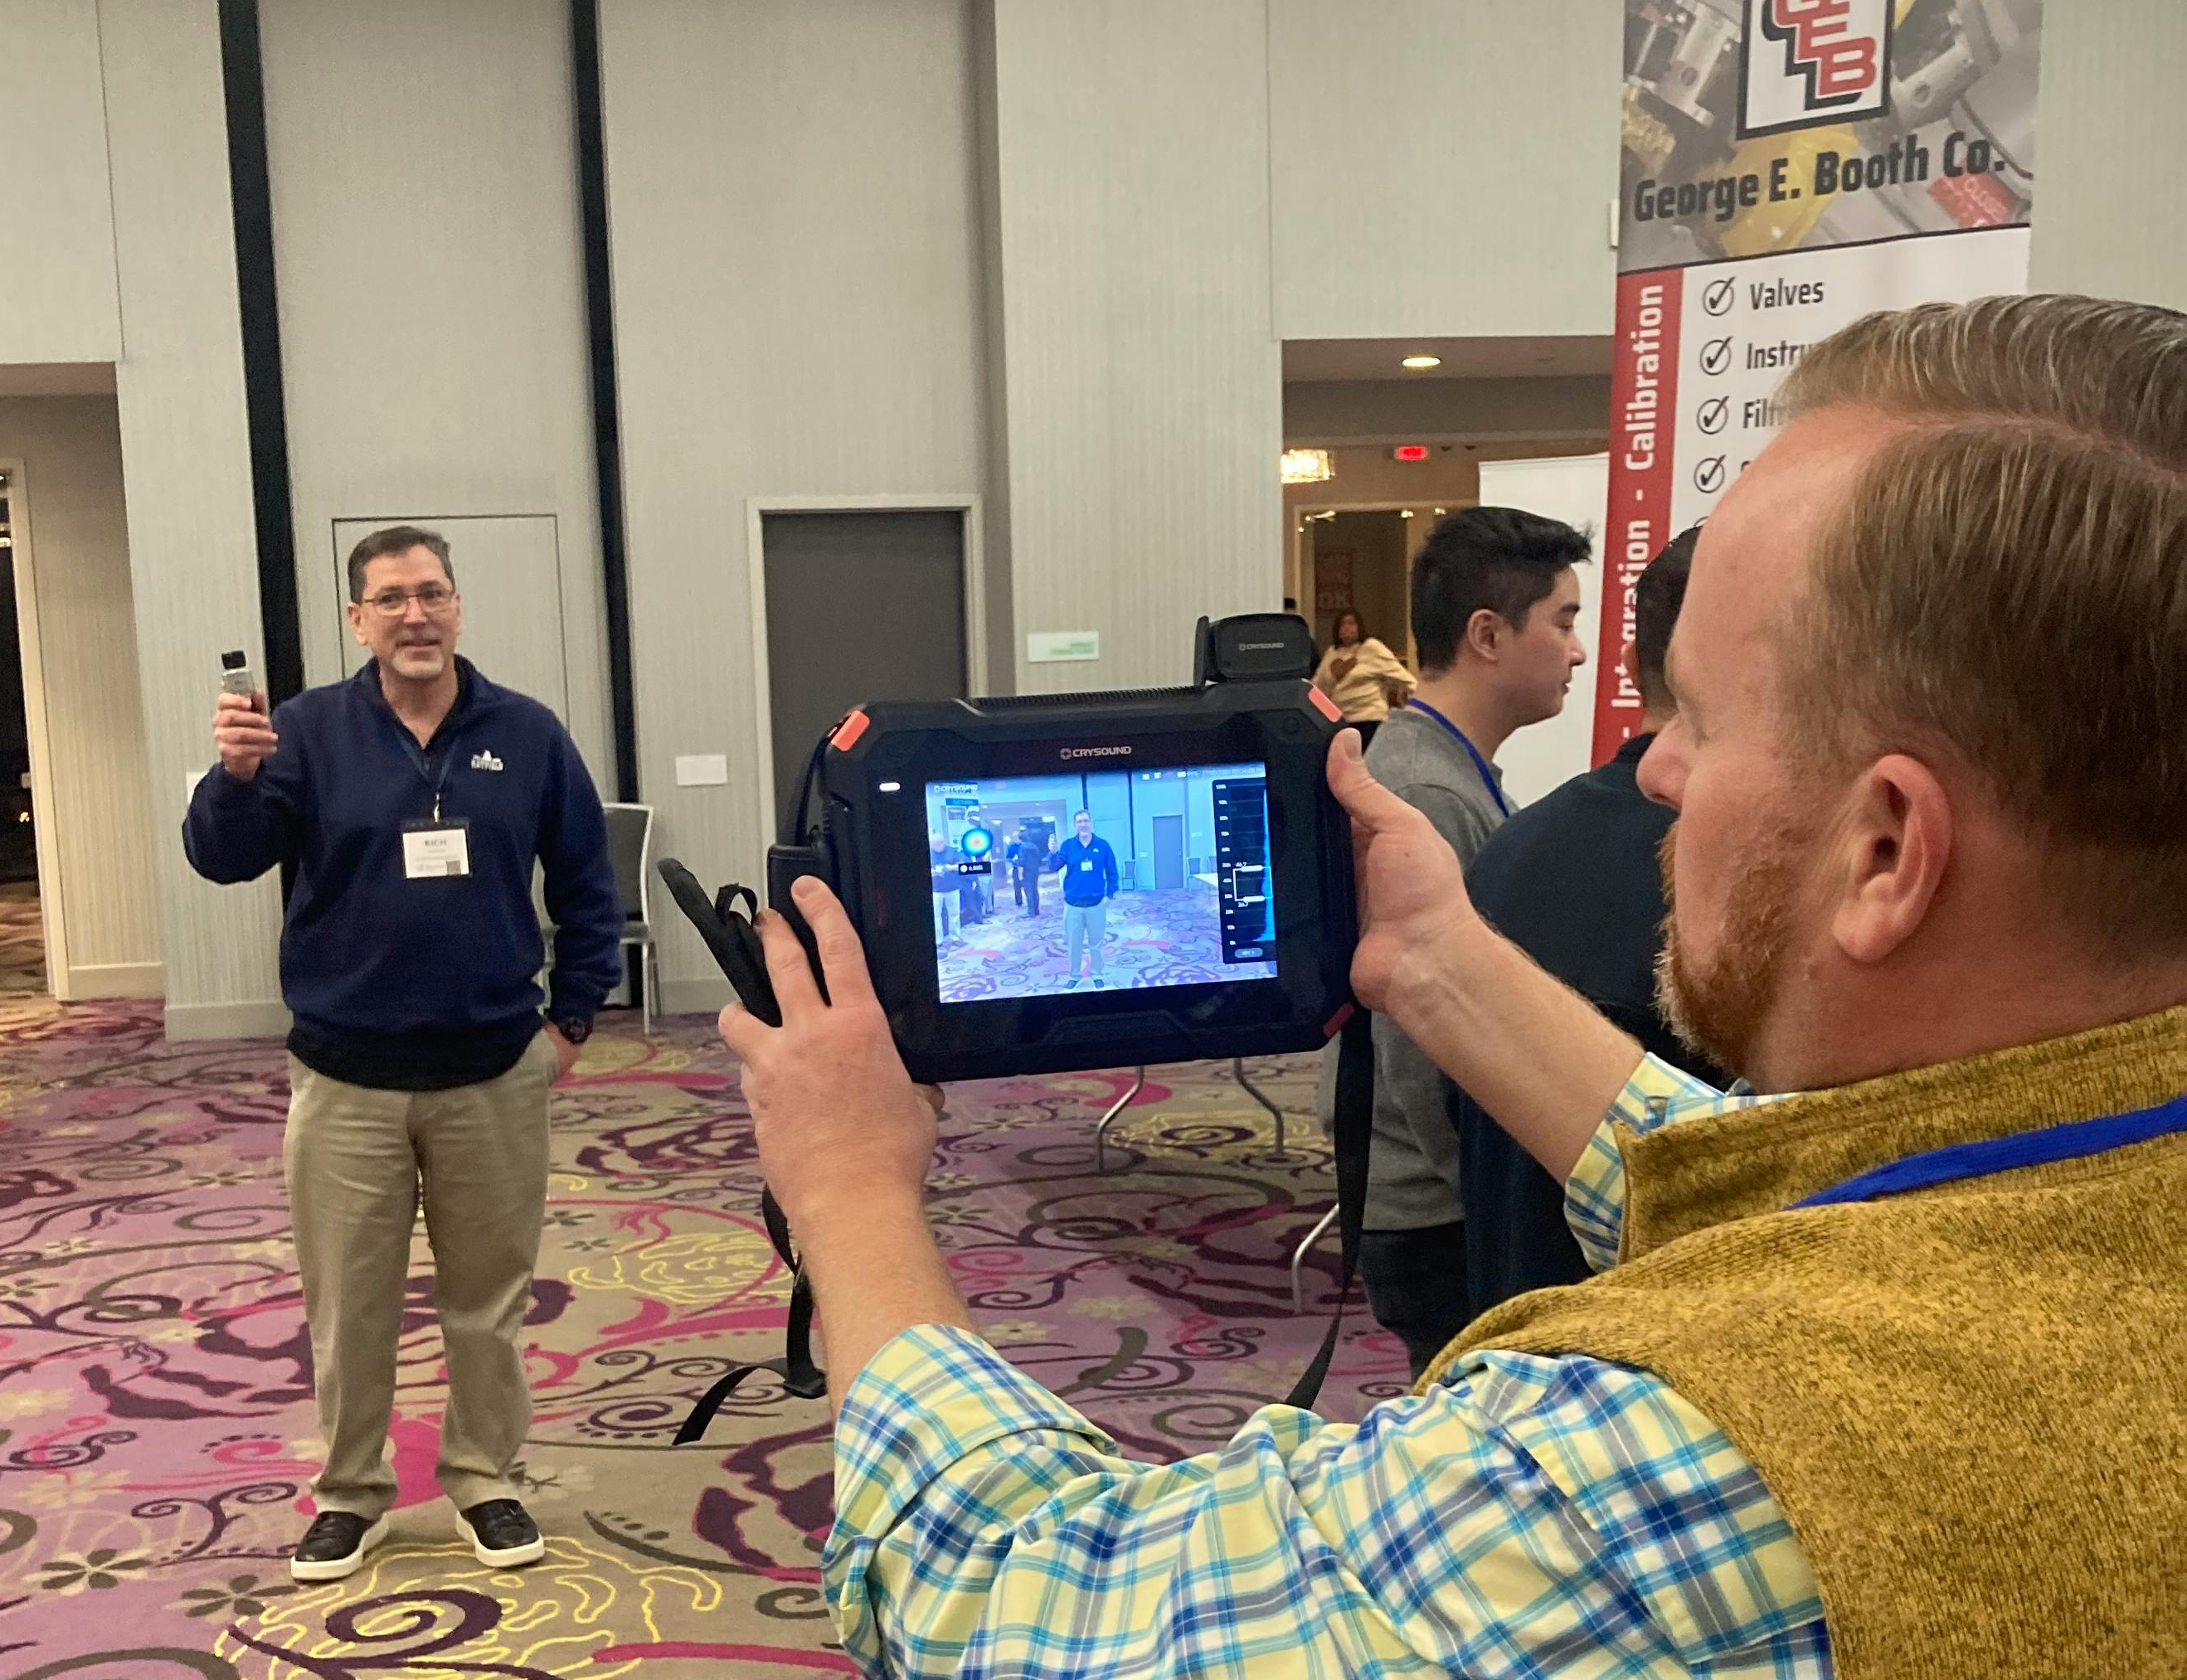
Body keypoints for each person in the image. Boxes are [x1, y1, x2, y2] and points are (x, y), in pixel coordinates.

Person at [716, 294, 2187, 1676]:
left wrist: (845, 1184)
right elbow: (1810, 1206)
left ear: (1882, 848)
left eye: (1703, 719)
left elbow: (1009, 1596)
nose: (1656, 766)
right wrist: (1433, 958)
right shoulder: (2084, 1190)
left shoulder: (1663, 1465)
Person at [183, 524, 621, 1585]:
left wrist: (568, 1024)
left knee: (488, 1300)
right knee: (351, 1303)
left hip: (492, 1071)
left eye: (432, 594)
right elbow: (222, 859)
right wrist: (234, 781)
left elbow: (586, 884)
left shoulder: (527, 732)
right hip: (345, 1077)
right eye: (391, 599)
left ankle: (482, 1477)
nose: (414, 614)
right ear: (358, 618)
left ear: (458, 606)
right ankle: (352, 1495)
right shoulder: (303, 731)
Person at [1330, 505, 1587, 1377]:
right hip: (1437, 1212)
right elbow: (1419, 1040)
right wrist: (1491, 1199)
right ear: (1487, 634)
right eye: (1564, 621)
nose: (1579, 652)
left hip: (1434, 1198)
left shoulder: (1437, 773)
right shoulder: (1427, 796)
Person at [1456, 526, 1712, 1313]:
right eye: (1563, 622)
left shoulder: (1509, 848)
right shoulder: (1730, 889)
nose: (1575, 651)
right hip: (1657, 1341)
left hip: (1506, 1311)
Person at [1313, 606, 1416, 749]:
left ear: (1359, 627)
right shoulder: (1331, 653)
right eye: (1343, 624)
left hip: (1370, 720)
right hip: (1341, 723)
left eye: (1351, 623)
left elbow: (1403, 677)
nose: (1347, 628)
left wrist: (1420, 704)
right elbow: (1317, 690)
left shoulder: (1372, 648)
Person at [1044, 808, 1117, 988]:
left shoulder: (1103, 845)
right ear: (1075, 825)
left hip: (1096, 904)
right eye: (1079, 822)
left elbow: (1112, 871)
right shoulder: (1068, 846)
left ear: (1091, 823)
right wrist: (1052, 853)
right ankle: (1074, 975)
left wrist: (1110, 895)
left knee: (1096, 944)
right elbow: (1054, 867)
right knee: (1074, 943)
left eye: (1086, 821)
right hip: (1073, 905)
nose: (1083, 824)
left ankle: (1097, 974)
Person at [928, 830, 960, 940]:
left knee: (954, 914)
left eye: (939, 845)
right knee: (936, 916)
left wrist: (949, 867)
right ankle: (938, 940)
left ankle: (955, 937)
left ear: (943, 843)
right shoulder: (929, 852)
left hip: (952, 887)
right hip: (935, 889)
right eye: (934, 845)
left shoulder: (952, 851)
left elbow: (961, 865)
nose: (937, 847)